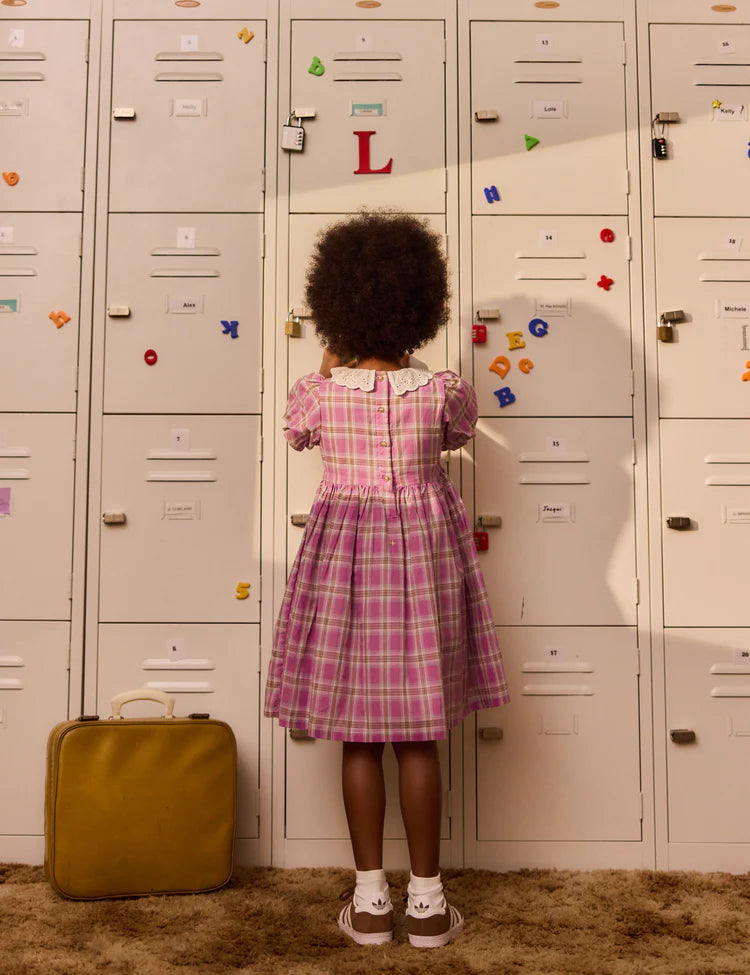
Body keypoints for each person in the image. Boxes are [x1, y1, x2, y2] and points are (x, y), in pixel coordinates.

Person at [264, 211, 509, 949]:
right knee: (418, 737)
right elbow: (462, 433)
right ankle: (429, 904)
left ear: (335, 304)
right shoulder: (443, 391)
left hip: (345, 560)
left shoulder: (318, 392)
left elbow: (298, 425)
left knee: (360, 737)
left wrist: (334, 358)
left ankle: (370, 901)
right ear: (419, 305)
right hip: (423, 559)